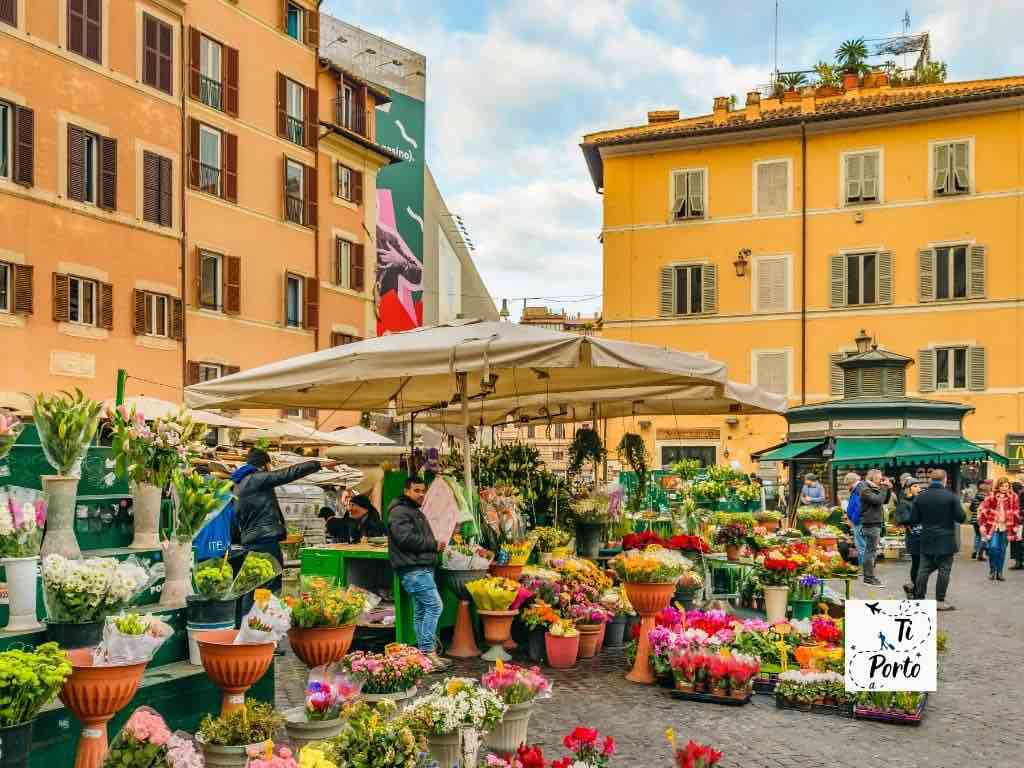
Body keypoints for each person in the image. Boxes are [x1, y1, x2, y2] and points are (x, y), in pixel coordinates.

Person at [231, 448, 341, 599]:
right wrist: (318, 464)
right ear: (264, 465)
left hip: (252, 541)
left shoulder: (238, 485)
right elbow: (286, 474)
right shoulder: (255, 479)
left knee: (256, 586)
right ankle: (265, 620)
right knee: (269, 586)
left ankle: (249, 619)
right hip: (265, 541)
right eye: (269, 465)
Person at [387, 477, 450, 670]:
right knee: (435, 606)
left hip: (418, 567)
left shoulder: (411, 510)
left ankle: (424, 655)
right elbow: (405, 539)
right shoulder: (400, 512)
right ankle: (428, 652)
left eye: (423, 491)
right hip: (414, 569)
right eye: (416, 490)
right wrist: (434, 544)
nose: (421, 494)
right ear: (407, 491)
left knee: (422, 610)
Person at [911, 468, 966, 611]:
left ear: (930, 480)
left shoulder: (920, 497)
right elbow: (961, 517)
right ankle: (939, 601)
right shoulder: (951, 496)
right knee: (944, 570)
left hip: (927, 537)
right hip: (946, 539)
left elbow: (914, 519)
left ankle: (919, 599)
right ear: (945, 479)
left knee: (923, 570)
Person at [977, 477, 1021, 581]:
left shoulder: (1013, 497)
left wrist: (1016, 525)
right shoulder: (991, 496)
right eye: (1002, 486)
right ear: (998, 486)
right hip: (993, 526)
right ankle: (993, 570)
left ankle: (999, 572)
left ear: (1008, 486)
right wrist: (982, 524)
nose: (1004, 488)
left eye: (1006, 486)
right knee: (992, 548)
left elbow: (1016, 512)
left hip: (1007, 527)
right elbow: (983, 510)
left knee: (1002, 550)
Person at [858, 469, 893, 587]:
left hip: (875, 523)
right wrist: (884, 487)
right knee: (870, 552)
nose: (881, 481)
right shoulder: (864, 488)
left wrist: (888, 488)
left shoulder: (873, 488)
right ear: (872, 478)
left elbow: (885, 500)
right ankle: (868, 578)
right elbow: (878, 500)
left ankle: (869, 577)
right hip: (870, 524)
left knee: (871, 551)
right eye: (879, 478)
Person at [895, 478, 924, 598]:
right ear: (908, 488)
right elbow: (904, 519)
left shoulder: (920, 500)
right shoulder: (903, 503)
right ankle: (915, 588)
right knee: (917, 563)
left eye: (919, 486)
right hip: (913, 537)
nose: (919, 488)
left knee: (925, 564)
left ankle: (914, 588)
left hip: (924, 535)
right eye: (915, 486)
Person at [320, 495, 386, 544]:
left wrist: (369, 540)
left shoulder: (376, 525)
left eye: (353, 505)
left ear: (364, 508)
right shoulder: (354, 523)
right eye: (349, 505)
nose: (349, 509)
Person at [843, 472, 864, 567]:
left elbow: (859, 507)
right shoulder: (857, 488)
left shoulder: (859, 489)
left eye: (847, 484)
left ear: (850, 482)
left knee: (861, 546)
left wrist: (853, 520)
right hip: (858, 521)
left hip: (858, 522)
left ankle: (863, 568)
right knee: (861, 545)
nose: (847, 487)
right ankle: (863, 567)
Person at [969, 479, 991, 561]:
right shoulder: (987, 498)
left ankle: (975, 551)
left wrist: (975, 508)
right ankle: (982, 552)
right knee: (984, 536)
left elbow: (971, 508)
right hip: (983, 520)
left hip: (975, 520)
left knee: (977, 535)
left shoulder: (975, 497)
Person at [1011, 481, 1024, 570]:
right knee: (1016, 542)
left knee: (1018, 542)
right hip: (1016, 522)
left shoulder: (1020, 496)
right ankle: (1018, 562)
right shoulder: (1015, 496)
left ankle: (1018, 562)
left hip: (1020, 523)